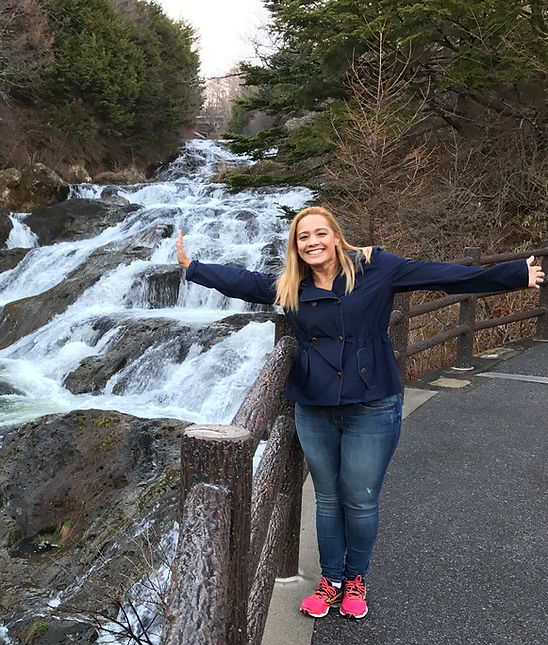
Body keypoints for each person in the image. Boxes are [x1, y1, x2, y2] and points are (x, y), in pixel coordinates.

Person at [175, 206, 544, 619]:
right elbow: (246, 283)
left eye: (320, 234)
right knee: (329, 499)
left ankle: (355, 578)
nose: (312, 242)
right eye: (303, 237)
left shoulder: (376, 268)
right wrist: (194, 268)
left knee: (362, 498)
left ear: (336, 236)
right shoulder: (291, 285)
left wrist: (513, 275)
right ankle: (331, 580)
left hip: (371, 402)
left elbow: (442, 275)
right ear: (296, 247)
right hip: (315, 405)